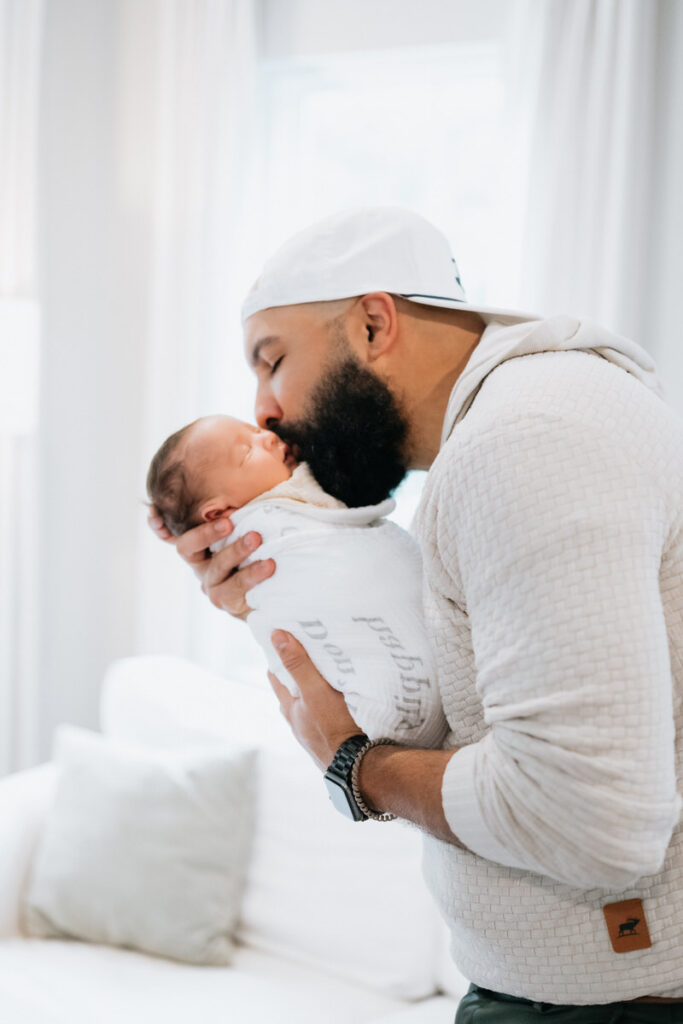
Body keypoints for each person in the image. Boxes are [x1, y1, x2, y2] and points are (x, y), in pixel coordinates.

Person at [148, 207, 683, 1018]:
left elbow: (587, 821)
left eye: (273, 360)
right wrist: (284, 586)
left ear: (372, 323)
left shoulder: (525, 439)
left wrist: (353, 765)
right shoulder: (514, 428)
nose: (261, 409)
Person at [145, 412, 447, 749]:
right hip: (368, 726)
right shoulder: (257, 532)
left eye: (256, 432)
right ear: (218, 514)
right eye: (247, 451)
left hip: (374, 742)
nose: (270, 437)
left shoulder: (296, 498)